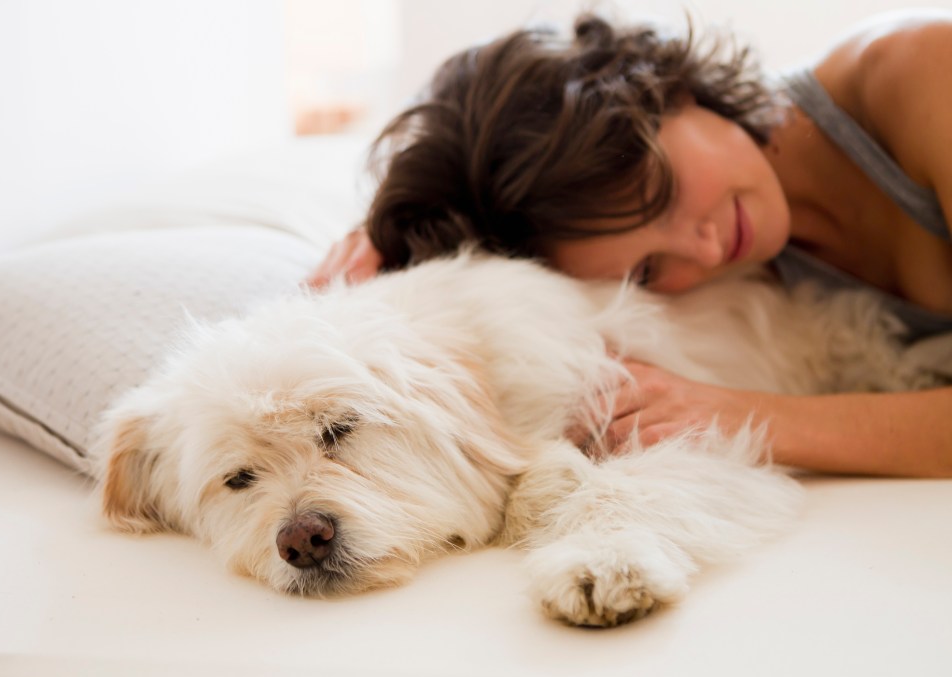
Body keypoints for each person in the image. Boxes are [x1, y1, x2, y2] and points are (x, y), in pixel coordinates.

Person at [307, 10, 952, 478]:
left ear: (658, 86)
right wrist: (377, 262)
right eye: (647, 268)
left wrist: (745, 417)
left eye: (663, 193)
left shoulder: (921, 73)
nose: (703, 252)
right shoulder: (744, 262)